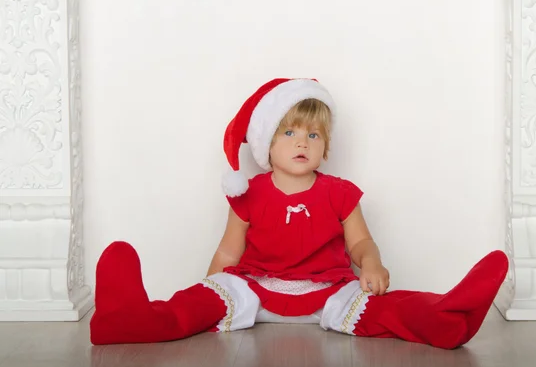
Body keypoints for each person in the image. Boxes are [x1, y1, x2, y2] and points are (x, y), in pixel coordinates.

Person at [90, 78, 508, 349]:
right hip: (255, 285)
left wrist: (373, 263)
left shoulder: (339, 193)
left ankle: (444, 316)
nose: (301, 142)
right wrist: (208, 287)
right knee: (197, 303)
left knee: (383, 310)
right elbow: (228, 252)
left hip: (325, 287)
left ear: (325, 146)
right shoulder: (249, 193)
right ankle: (128, 318)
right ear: (266, 146)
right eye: (288, 132)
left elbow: (360, 241)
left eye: (312, 134)